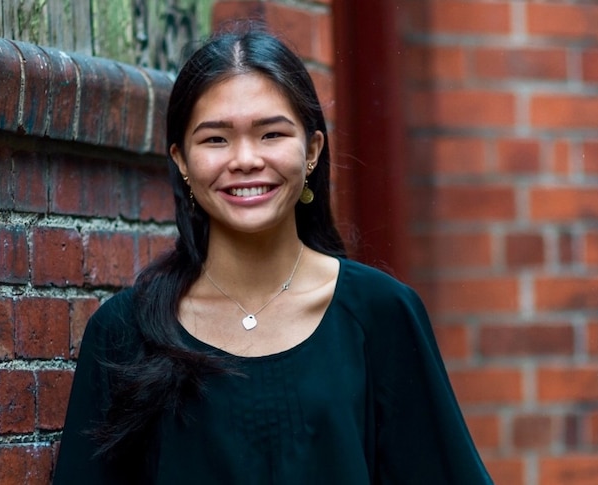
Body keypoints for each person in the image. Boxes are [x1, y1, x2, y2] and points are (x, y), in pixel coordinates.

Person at [53, 26, 493, 485]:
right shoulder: (125, 332)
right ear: (182, 161)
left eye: (271, 134)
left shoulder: (380, 315)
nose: (245, 159)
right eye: (216, 139)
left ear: (312, 151)